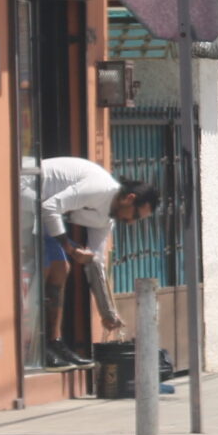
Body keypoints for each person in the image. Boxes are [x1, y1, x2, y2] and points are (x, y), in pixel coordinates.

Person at [36, 156, 159, 369]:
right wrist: (70, 248)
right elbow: (50, 206)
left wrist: (108, 314)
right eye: (136, 216)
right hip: (29, 192)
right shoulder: (100, 188)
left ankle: (53, 343)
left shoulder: (106, 220)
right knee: (50, 266)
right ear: (129, 198)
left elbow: (96, 263)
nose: (131, 223)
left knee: (61, 268)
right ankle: (37, 345)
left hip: (42, 212)